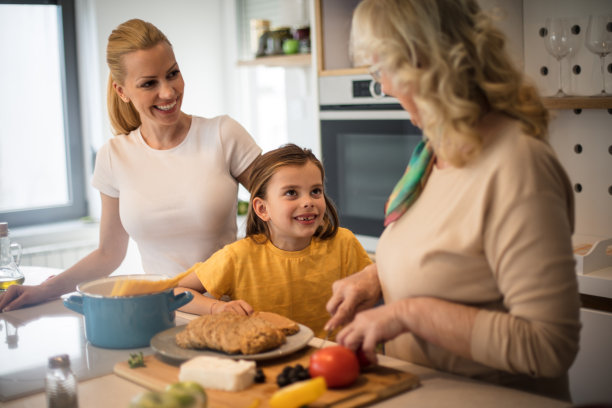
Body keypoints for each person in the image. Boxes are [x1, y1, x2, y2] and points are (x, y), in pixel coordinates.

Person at [324, 0, 581, 401]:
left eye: (383, 69)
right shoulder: (434, 153)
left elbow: (549, 347)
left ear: (428, 61)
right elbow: (452, 254)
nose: (384, 86)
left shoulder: (517, 165)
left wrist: (406, 313)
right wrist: (379, 278)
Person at [0, 19, 261, 312]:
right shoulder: (114, 156)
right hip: (158, 313)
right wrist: (41, 291)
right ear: (122, 91)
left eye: (173, 74)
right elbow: (108, 254)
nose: (168, 92)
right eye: (149, 83)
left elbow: (279, 207)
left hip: (231, 310)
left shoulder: (223, 134)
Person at [175, 144, 372, 337]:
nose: (308, 202)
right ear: (262, 209)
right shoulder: (237, 257)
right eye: (291, 193)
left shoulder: (344, 243)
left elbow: (376, 288)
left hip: (332, 358)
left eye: (315, 191)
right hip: (264, 358)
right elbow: (176, 292)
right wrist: (216, 308)